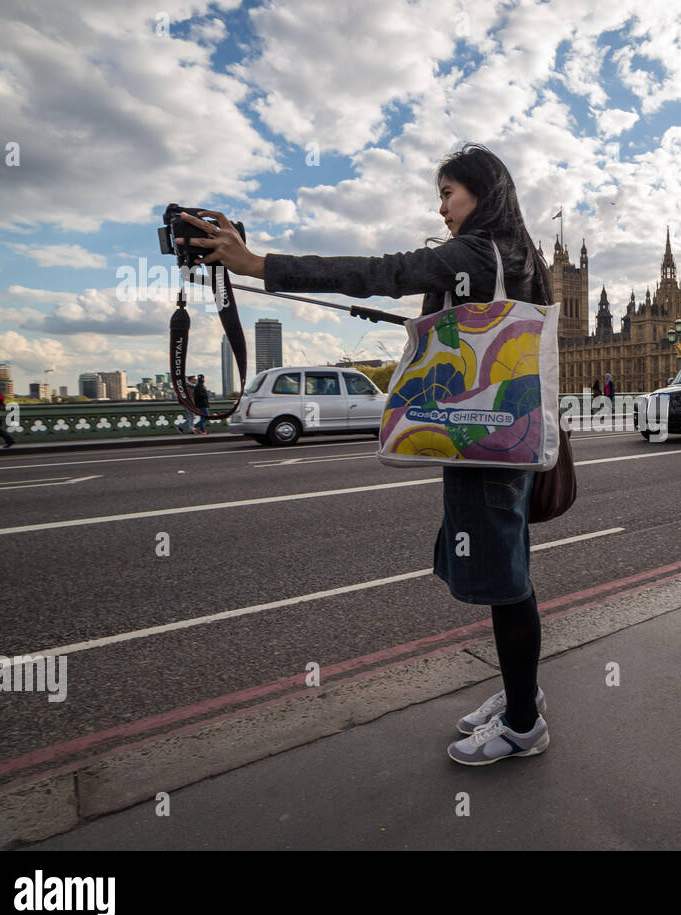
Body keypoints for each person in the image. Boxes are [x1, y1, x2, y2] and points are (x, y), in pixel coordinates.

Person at [179, 143, 552, 765]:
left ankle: (522, 726)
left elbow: (377, 270)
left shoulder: (475, 252)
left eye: (448, 195)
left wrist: (256, 263)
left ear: (481, 196)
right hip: (505, 435)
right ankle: (523, 695)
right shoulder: (519, 255)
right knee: (509, 570)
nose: (441, 210)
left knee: (505, 584)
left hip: (481, 446)